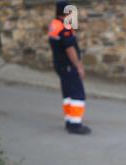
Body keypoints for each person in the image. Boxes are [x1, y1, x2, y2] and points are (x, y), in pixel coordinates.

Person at [48, 0, 91, 135]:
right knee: (78, 95)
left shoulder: (54, 25)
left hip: (59, 65)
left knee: (67, 95)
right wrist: (78, 66)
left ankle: (69, 121)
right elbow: (70, 49)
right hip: (68, 66)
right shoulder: (65, 29)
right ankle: (75, 124)